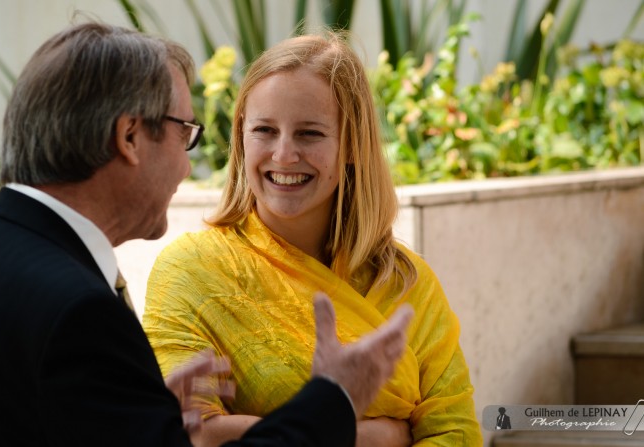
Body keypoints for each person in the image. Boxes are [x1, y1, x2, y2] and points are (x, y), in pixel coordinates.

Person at [0, 21, 417, 447]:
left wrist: (148, 414)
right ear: (129, 137)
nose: (187, 166)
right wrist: (335, 398)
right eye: (185, 132)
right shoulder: (79, 313)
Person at [144, 32, 483, 446]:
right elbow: (195, 434)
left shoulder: (408, 283)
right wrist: (384, 437)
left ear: (352, 145)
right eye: (265, 130)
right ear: (241, 137)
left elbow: (457, 432)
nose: (284, 154)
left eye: (309, 134)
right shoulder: (190, 269)